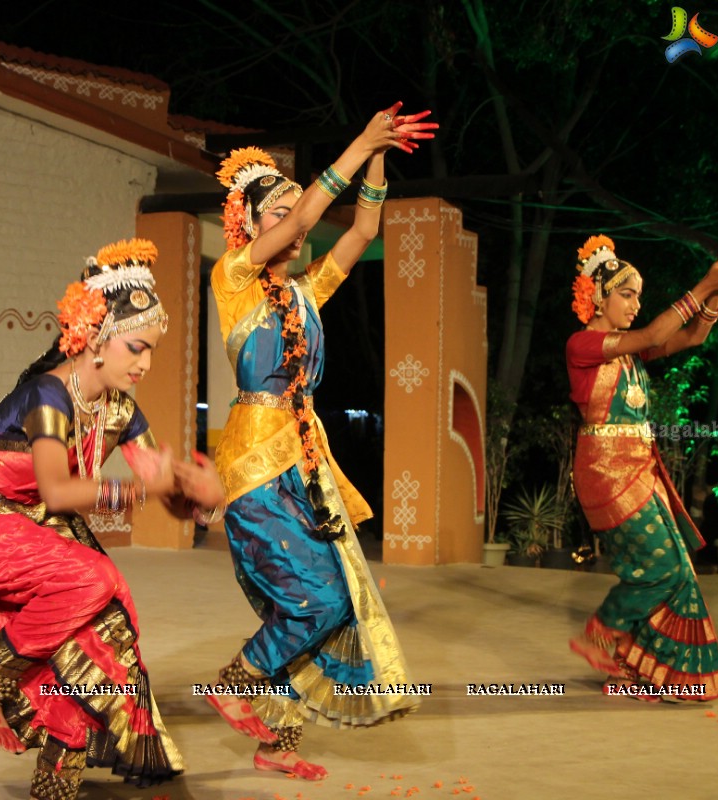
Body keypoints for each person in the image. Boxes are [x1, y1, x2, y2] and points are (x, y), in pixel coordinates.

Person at [0, 239, 226, 797]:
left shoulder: (120, 409)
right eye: (137, 347)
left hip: (32, 525)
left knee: (102, 639)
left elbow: (163, 487)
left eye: (152, 350)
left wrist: (202, 494)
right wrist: (141, 488)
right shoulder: (50, 393)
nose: (146, 363)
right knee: (90, 578)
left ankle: (55, 783)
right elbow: (60, 491)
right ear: (97, 340)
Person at [206, 104, 437, 780]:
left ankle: (277, 742)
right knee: (318, 598)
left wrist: (380, 152)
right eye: (275, 212)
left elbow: (364, 226)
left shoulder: (305, 292)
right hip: (255, 462)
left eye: (290, 208)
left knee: (321, 601)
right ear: (248, 228)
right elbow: (311, 217)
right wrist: (360, 136)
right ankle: (234, 680)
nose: (292, 222)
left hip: (307, 463)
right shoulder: (234, 281)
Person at [565, 235, 718, 701]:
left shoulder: (629, 353)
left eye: (638, 296)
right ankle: (601, 630)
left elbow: (691, 335)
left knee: (675, 569)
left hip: (640, 469)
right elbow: (655, 334)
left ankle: (635, 667)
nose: (635, 305)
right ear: (598, 295)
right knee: (659, 570)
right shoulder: (584, 344)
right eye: (627, 294)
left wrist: (714, 298)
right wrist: (702, 283)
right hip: (605, 472)